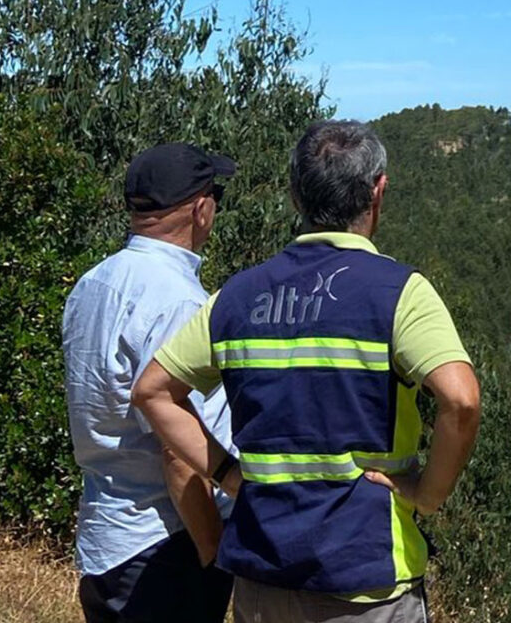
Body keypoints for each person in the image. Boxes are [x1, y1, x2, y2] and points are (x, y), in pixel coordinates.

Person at [134, 119, 481, 623]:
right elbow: (461, 399)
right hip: (366, 577)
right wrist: (428, 494)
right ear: (378, 191)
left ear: (296, 196)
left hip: (261, 576)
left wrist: (230, 475)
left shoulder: (236, 297)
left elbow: (153, 393)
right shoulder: (399, 293)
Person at [63, 141, 239, 623]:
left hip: (105, 538)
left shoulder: (92, 284)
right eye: (215, 194)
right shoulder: (180, 302)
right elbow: (178, 451)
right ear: (201, 209)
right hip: (167, 545)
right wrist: (214, 554)